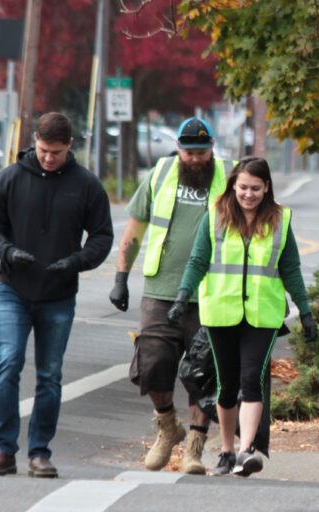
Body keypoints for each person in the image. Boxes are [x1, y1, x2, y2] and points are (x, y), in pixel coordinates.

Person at [0, 112, 113, 478]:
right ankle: (4, 449)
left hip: (58, 293)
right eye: (42, 150)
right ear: (33, 141)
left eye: (55, 152)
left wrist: (76, 261)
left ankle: (40, 452)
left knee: (50, 375)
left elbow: (102, 235)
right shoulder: (10, 177)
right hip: (13, 289)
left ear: (70, 146)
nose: (48, 158)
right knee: (8, 362)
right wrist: (8, 252)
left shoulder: (86, 185)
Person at [170, 157, 317, 477]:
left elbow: (290, 268)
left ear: (266, 188)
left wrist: (305, 312)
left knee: (252, 381)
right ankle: (226, 450)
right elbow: (198, 261)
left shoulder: (280, 220)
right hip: (221, 312)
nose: (248, 194)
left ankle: (246, 450)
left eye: (255, 188)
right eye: (243, 188)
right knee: (226, 386)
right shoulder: (215, 217)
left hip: (262, 315)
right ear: (233, 186)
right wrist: (182, 297)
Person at [108, 117, 234, 474]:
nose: (195, 158)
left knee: (203, 373)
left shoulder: (229, 176)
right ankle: (167, 427)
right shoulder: (161, 174)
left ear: (212, 149)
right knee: (152, 363)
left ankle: (194, 448)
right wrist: (121, 277)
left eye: (202, 152)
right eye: (189, 152)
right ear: (178, 149)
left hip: (211, 291)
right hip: (160, 289)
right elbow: (135, 227)